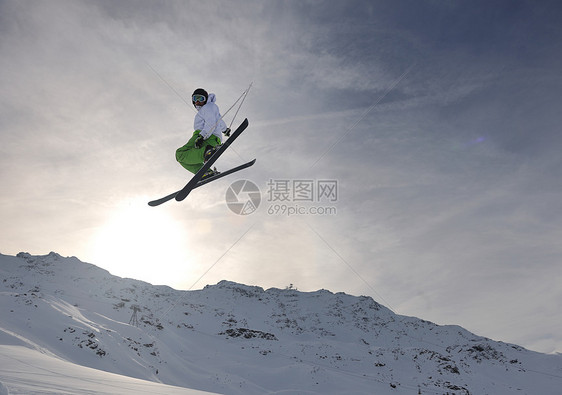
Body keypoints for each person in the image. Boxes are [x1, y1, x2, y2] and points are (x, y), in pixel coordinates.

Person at [175, 88, 230, 178]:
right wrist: (225, 129)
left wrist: (201, 136)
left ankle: (206, 152)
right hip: (213, 139)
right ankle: (205, 171)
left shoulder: (207, 107)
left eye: (200, 99)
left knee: (180, 154)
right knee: (182, 159)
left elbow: (211, 122)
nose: (197, 101)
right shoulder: (211, 108)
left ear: (206, 99)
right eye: (195, 99)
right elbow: (219, 120)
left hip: (205, 136)